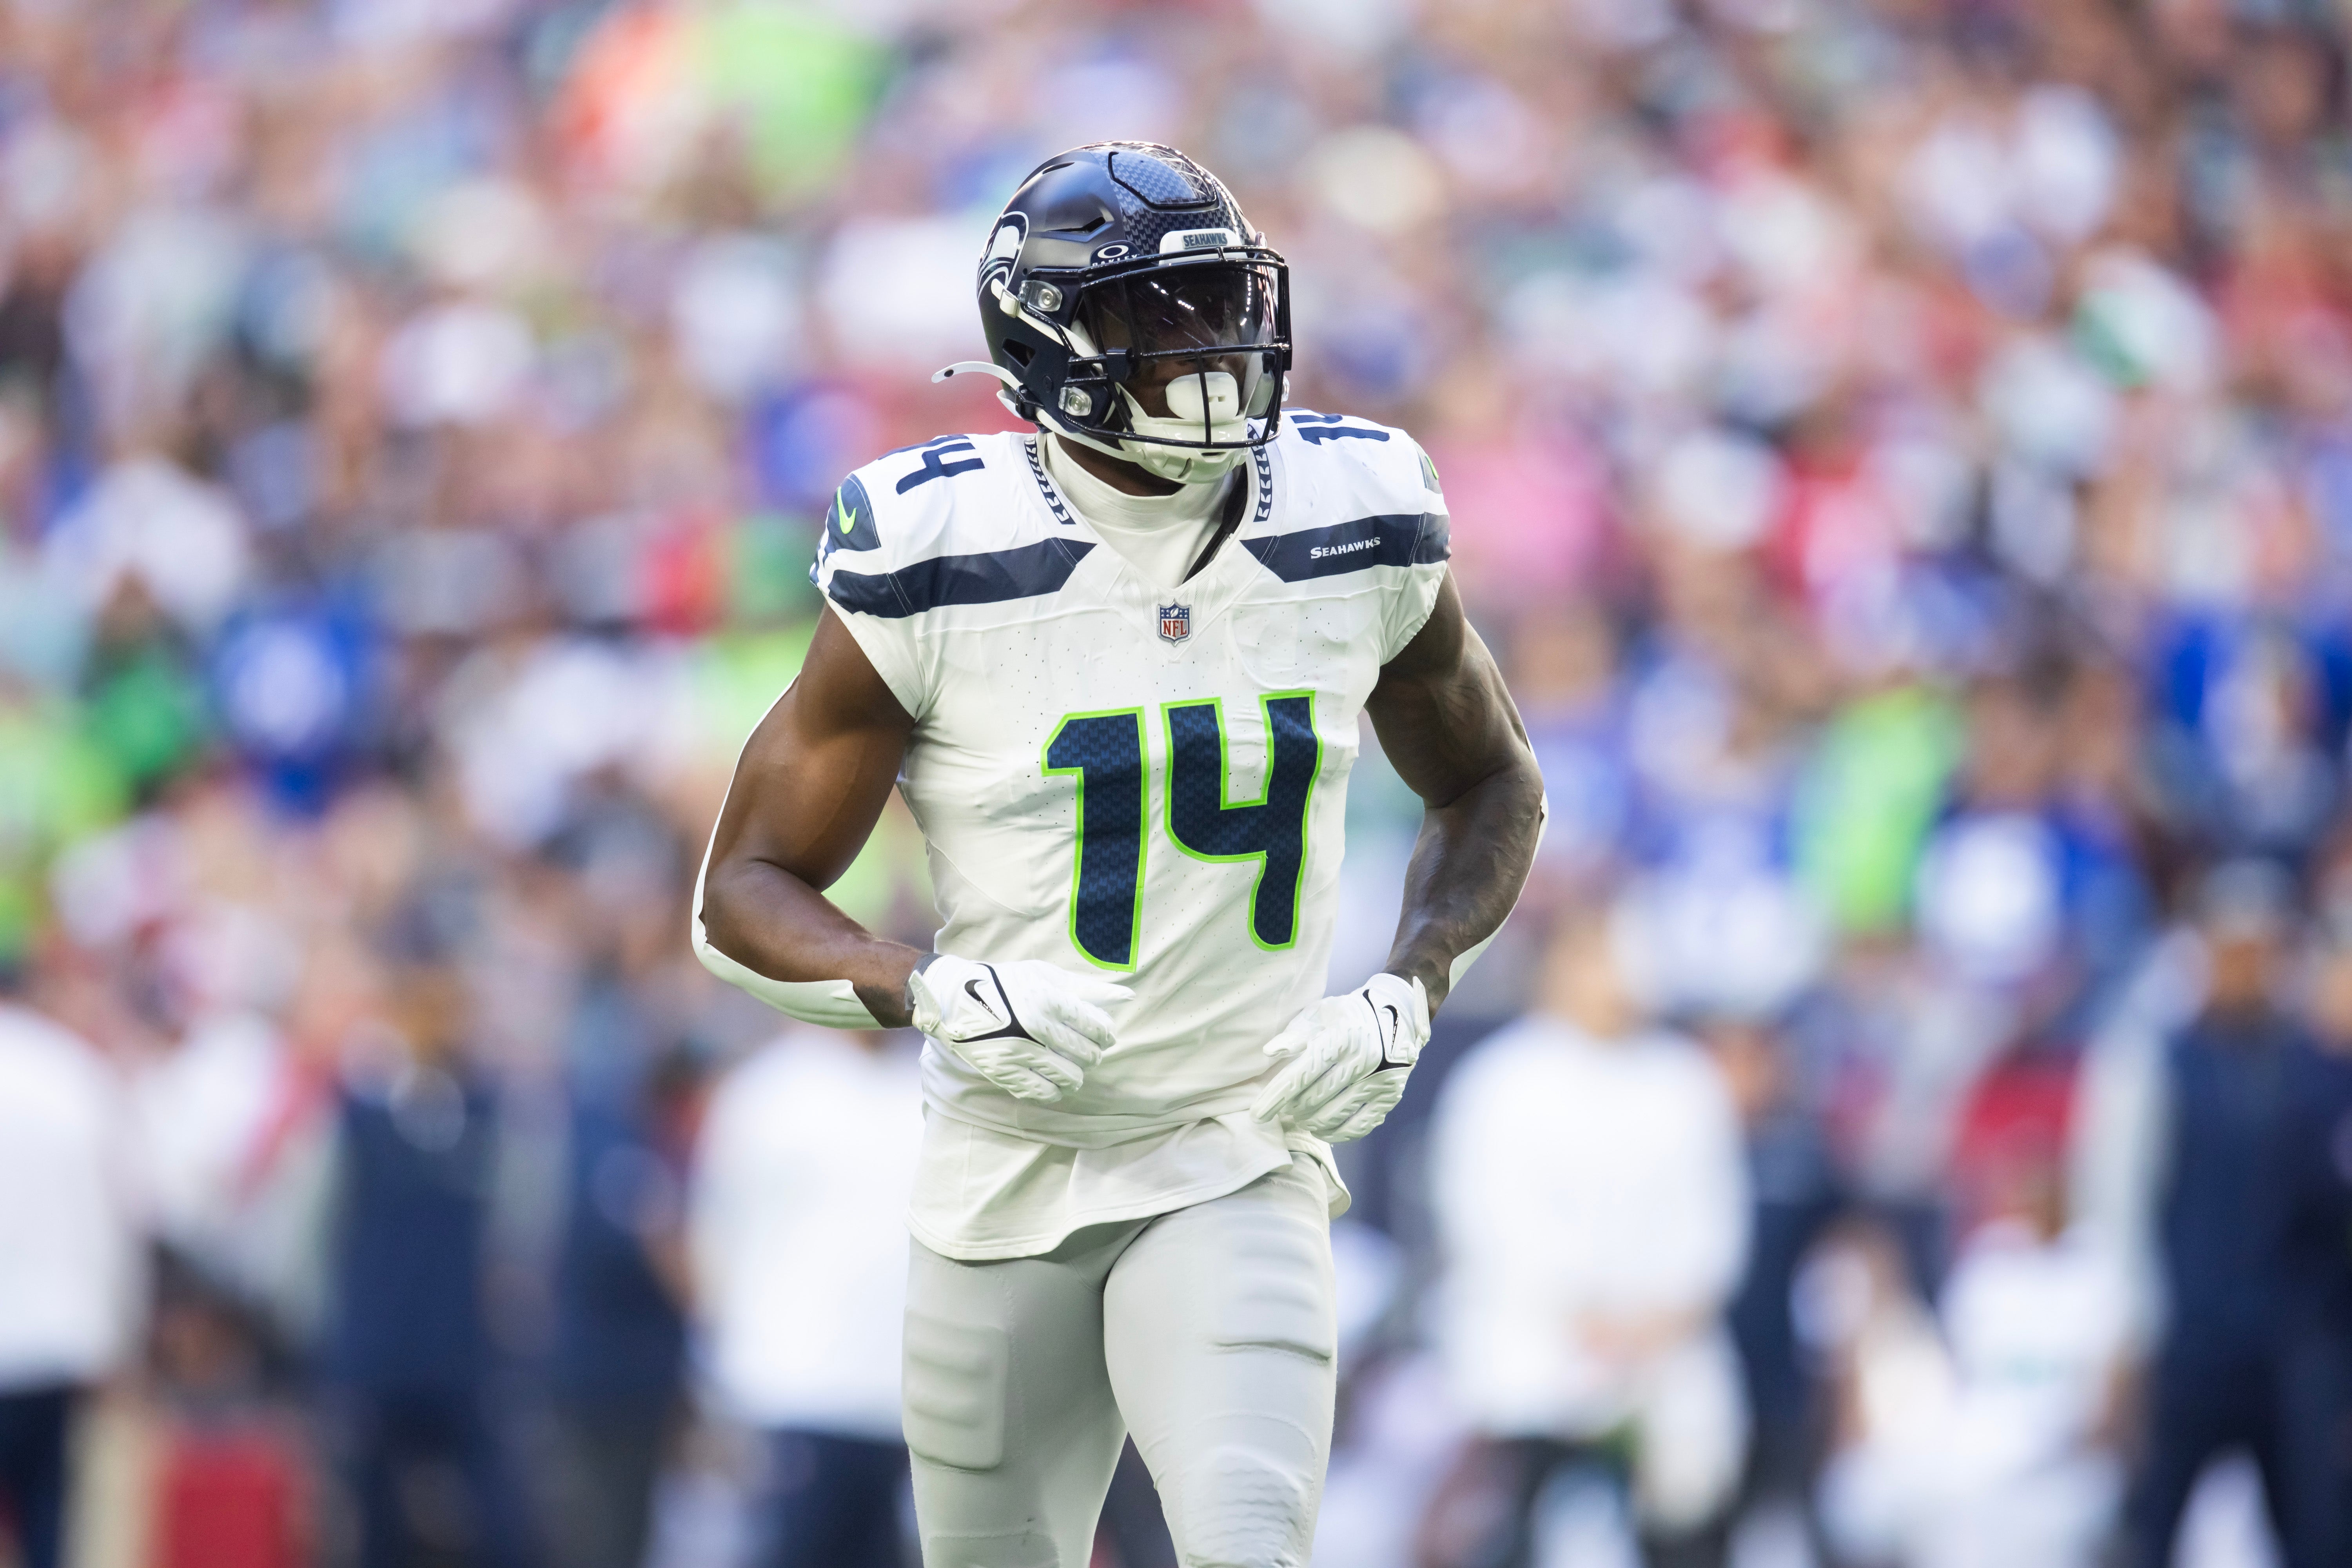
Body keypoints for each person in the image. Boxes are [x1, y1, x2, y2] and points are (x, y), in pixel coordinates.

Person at [694, 142, 1544, 1567]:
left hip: (1237, 1139)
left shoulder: (1359, 512)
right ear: (1051, 347)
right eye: (1161, 317)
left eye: (1223, 303)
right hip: (1007, 1161)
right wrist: (926, 986)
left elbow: (1492, 781)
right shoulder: (935, 545)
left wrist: (1415, 980)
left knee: (1245, 1540)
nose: (1214, 348)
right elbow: (742, 891)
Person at [1425, 906, 1750, 1568]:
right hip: (1539, 1356)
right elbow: (1492, 1224)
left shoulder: (1682, 1080)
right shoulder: (1502, 1083)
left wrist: (1661, 1319)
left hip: (1664, 1355)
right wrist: (1587, 1315)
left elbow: (1714, 1224)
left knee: (1688, 1512)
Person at [2120, 861, 2312, 1568]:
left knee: (2310, 1528)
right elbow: (2123, 1205)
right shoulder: (2161, 1058)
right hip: (2189, 1339)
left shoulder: (2307, 1062)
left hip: (2287, 1345)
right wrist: (2132, 1334)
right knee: (2155, 1526)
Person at [690, 1025, 924, 1568]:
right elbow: (716, 1237)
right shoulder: (768, 1090)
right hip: (793, 1391)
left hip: (899, 1403)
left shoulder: (924, 1080)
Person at [0, 975, 142, 1568]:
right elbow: (116, 1218)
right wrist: (118, 1335)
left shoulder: (73, 1073)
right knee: (49, 1523)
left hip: (44, 1332)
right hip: (58, 1340)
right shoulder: (74, 1075)